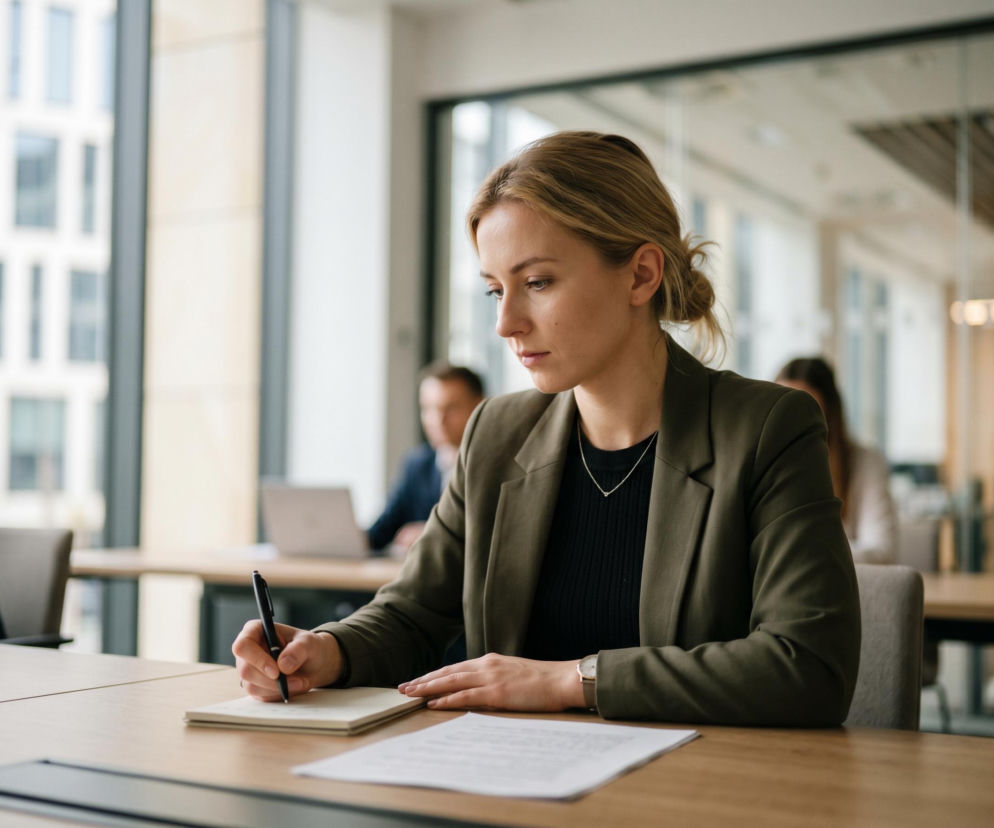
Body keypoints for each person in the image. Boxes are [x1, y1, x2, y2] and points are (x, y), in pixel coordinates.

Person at [234, 131, 860, 727]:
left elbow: (807, 665)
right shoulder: (497, 433)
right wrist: (325, 651)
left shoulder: (766, 428)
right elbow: (414, 612)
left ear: (641, 275)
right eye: (493, 291)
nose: (506, 323)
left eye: (537, 282)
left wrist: (566, 681)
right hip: (514, 778)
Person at [776, 357, 897, 564]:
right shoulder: (767, 465)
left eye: (805, 411)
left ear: (830, 414)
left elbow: (881, 550)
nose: (792, 423)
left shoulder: (866, 463)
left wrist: (801, 557)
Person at [366, 362, 485, 553]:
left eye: (451, 408)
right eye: (428, 409)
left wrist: (434, 534)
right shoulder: (417, 464)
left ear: (480, 406)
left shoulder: (498, 465)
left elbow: (493, 534)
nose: (438, 420)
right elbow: (382, 531)